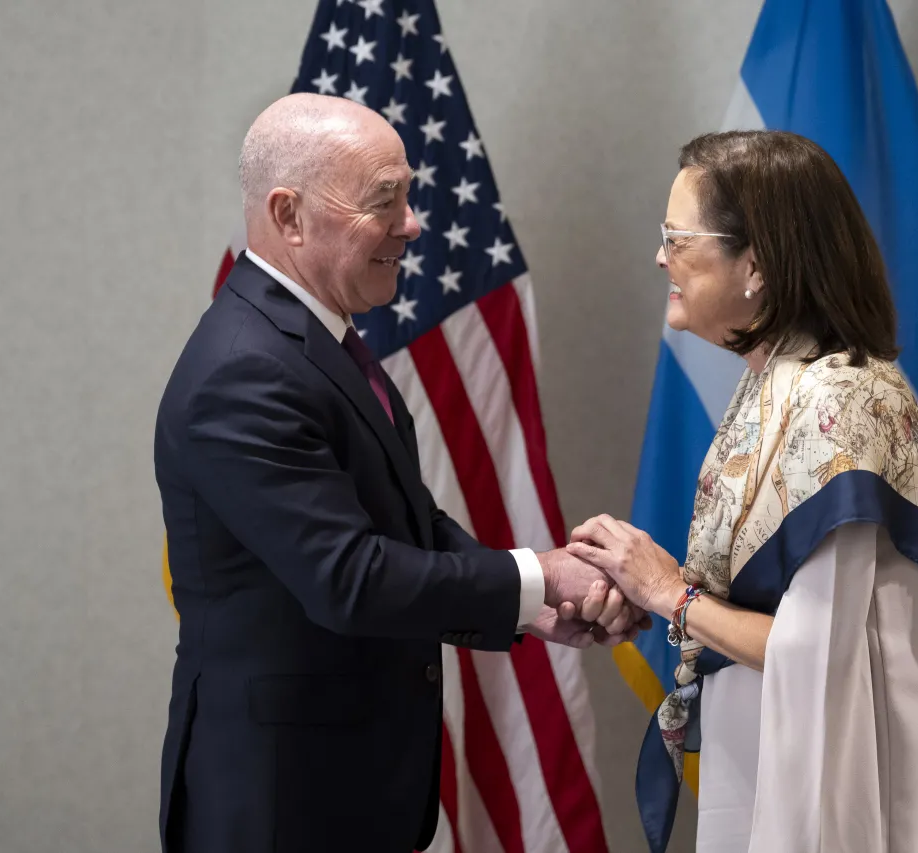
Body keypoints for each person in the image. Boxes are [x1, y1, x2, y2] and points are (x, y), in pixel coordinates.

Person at [153, 93, 641, 853]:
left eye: (407, 195)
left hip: (344, 792)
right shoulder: (244, 371)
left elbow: (405, 520)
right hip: (280, 804)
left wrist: (530, 602)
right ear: (290, 215)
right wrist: (540, 577)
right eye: (386, 200)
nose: (412, 224)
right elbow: (348, 575)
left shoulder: (313, 341)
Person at [567, 131, 918, 852]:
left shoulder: (840, 399)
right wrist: (649, 577)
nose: (661, 258)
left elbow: (811, 648)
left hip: (832, 784)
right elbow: (770, 599)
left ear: (757, 264)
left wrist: (668, 595)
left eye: (677, 238)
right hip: (770, 753)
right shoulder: (776, 381)